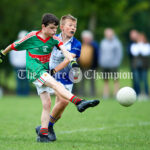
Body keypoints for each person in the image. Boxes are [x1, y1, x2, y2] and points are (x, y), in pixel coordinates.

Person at [0, 13, 100, 143]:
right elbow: (14, 45)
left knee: (47, 104)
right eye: (52, 28)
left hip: (44, 71)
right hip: (34, 71)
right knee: (57, 85)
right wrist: (2, 53)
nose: (54, 31)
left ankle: (42, 134)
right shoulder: (32, 37)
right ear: (43, 27)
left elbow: (65, 52)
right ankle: (79, 102)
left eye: (56, 29)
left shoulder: (55, 39)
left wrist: (73, 62)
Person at [35, 14, 82, 141]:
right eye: (70, 25)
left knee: (59, 111)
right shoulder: (53, 38)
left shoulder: (77, 43)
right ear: (62, 27)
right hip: (49, 75)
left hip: (65, 76)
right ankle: (46, 129)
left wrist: (54, 70)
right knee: (65, 101)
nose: (73, 28)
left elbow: (68, 59)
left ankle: (45, 127)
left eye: (75, 26)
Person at [98, 28, 123, 98]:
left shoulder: (117, 43)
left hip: (113, 65)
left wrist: (117, 62)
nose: (108, 35)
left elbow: (119, 54)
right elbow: (101, 53)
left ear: (112, 34)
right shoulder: (103, 42)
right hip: (104, 64)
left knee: (115, 80)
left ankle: (116, 94)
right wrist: (101, 62)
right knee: (106, 80)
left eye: (109, 34)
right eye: (107, 34)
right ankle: (106, 94)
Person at [78, 30, 99, 96]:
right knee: (82, 81)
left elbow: (96, 56)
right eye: (84, 38)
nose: (85, 39)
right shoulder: (80, 45)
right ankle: (82, 94)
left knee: (92, 81)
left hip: (92, 67)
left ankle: (92, 94)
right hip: (82, 67)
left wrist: (96, 66)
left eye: (87, 38)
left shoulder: (94, 46)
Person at [9, 30, 30, 96]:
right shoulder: (15, 45)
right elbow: (12, 56)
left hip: (26, 66)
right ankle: (19, 94)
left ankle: (26, 94)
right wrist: (15, 64)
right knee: (19, 81)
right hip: (17, 66)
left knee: (26, 81)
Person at [130, 33, 150, 100]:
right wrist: (139, 46)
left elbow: (145, 52)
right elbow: (134, 52)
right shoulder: (134, 45)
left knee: (144, 80)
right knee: (137, 80)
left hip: (144, 66)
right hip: (136, 66)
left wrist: (140, 46)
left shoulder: (147, 45)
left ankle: (146, 93)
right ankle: (137, 94)